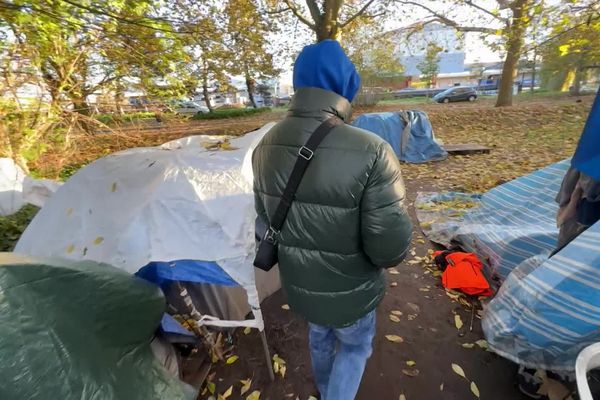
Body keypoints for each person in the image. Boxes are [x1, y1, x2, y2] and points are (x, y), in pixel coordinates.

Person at [252, 40, 413, 400]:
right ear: (345, 84)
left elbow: (266, 221)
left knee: (320, 338)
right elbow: (388, 249)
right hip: (352, 292)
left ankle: (327, 391)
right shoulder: (372, 150)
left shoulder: (264, 147)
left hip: (301, 286)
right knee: (354, 348)